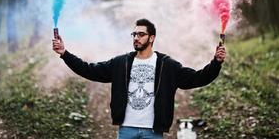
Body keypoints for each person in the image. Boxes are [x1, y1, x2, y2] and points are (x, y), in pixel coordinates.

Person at [52, 18, 226, 139]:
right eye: (134, 34)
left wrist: (216, 63)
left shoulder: (167, 65)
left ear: (152, 38)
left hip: (153, 132)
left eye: (141, 34)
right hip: (126, 130)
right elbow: (89, 70)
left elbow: (197, 78)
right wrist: (65, 54)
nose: (136, 38)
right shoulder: (121, 63)